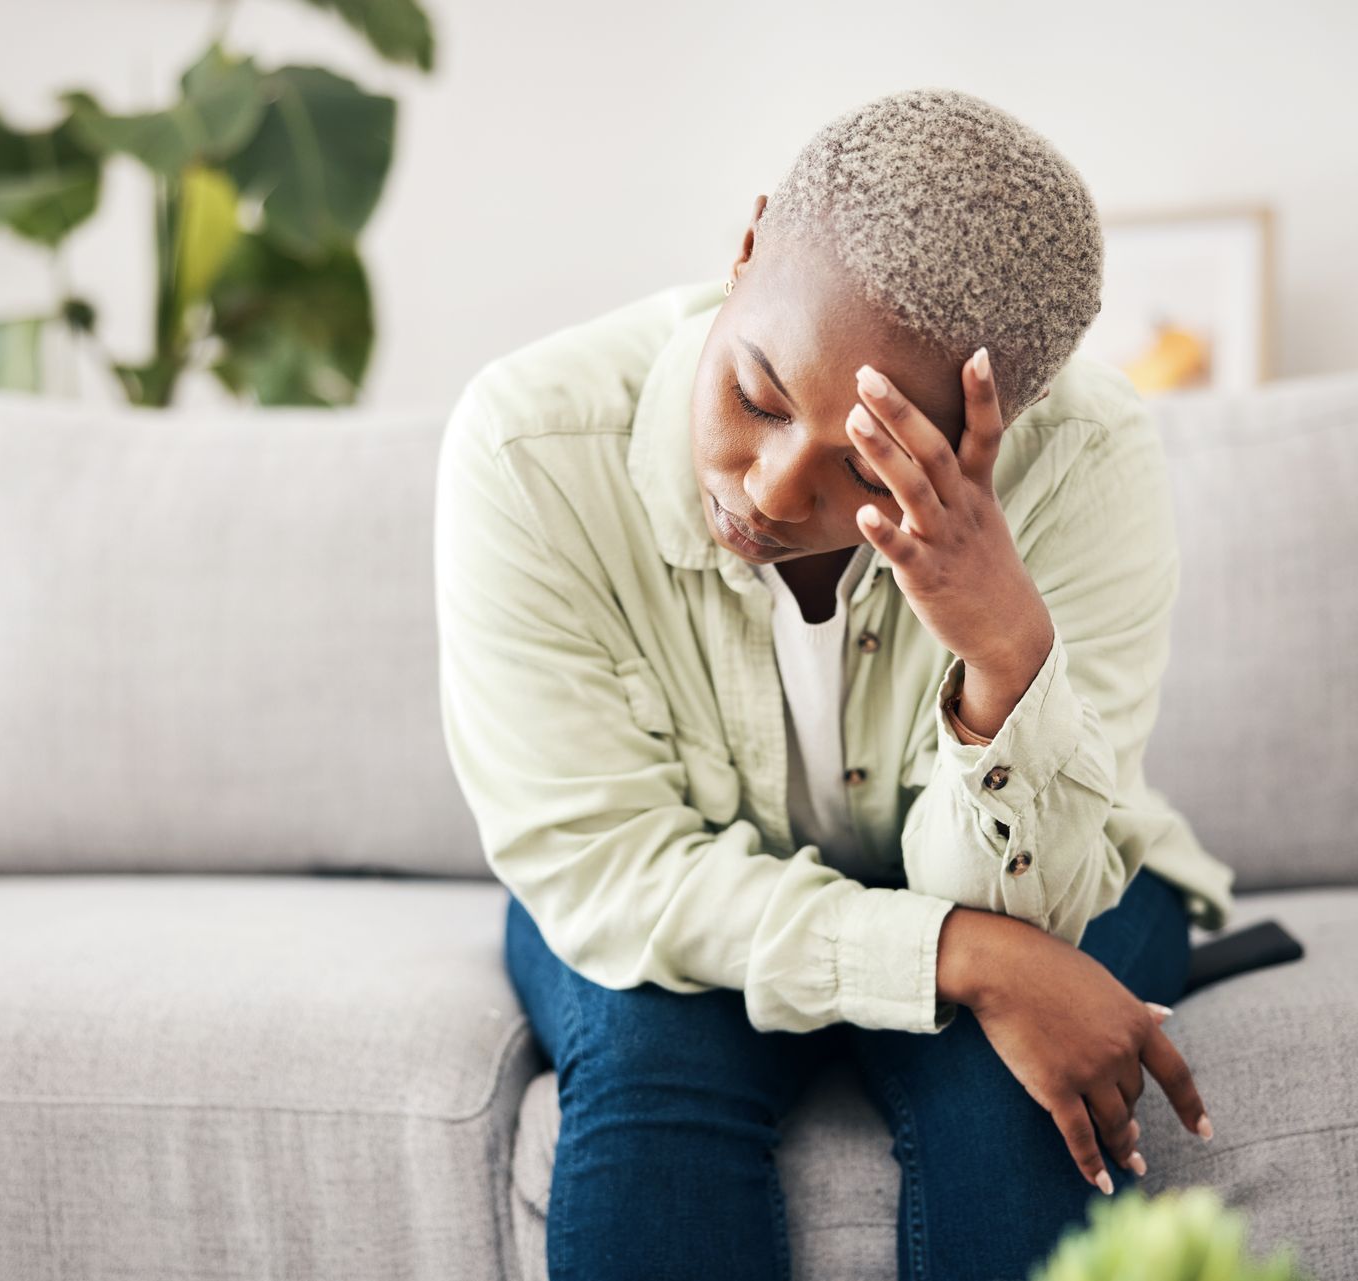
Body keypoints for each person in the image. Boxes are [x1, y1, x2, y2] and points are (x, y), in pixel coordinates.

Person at [434, 86, 1236, 1281]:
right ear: (746, 246)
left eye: (866, 465)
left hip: (1045, 871)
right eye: (755, 395)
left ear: (999, 425)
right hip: (669, 867)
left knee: (1013, 1097)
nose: (764, 489)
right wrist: (955, 958)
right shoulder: (526, 450)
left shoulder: (1089, 459)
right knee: (653, 1067)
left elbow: (1037, 912)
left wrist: (1004, 656)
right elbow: (605, 867)